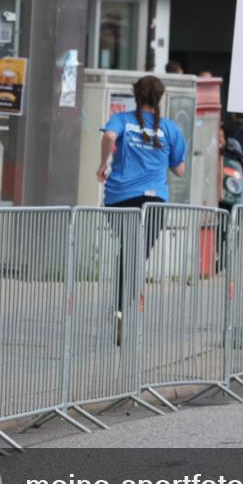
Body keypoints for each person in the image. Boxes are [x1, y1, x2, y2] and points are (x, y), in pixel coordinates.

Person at [98, 75, 186, 343]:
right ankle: (125, 308)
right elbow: (180, 170)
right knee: (137, 255)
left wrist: (104, 164)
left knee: (128, 248)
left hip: (121, 197)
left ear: (135, 95)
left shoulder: (123, 120)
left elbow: (110, 136)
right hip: (154, 201)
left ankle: (121, 308)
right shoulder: (171, 129)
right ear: (160, 98)